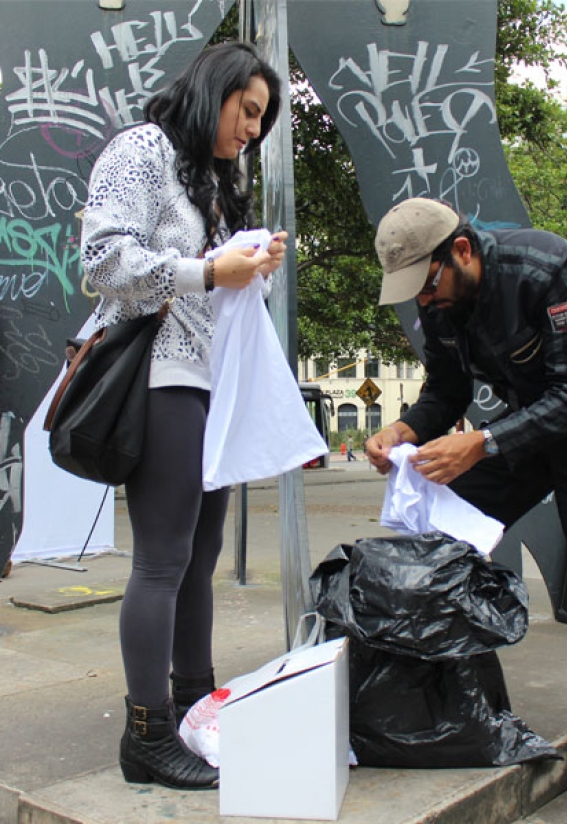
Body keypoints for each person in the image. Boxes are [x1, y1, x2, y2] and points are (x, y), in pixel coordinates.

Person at [366, 198, 567, 821]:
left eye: (427, 284)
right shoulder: (442, 302)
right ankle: (451, 714)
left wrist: (485, 441)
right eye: (412, 292)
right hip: (528, 418)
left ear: (462, 252)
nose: (422, 302)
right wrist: (403, 429)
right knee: (442, 534)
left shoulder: (546, 268)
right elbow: (445, 390)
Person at [81, 42, 287, 791]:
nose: (253, 131)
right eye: (250, 111)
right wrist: (210, 268)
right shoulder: (141, 150)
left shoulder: (216, 181)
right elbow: (101, 261)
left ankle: (196, 707)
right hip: (161, 376)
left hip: (214, 383)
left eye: (263, 120)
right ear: (217, 91)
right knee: (163, 560)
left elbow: (222, 291)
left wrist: (250, 266)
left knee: (200, 558)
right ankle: (147, 735)